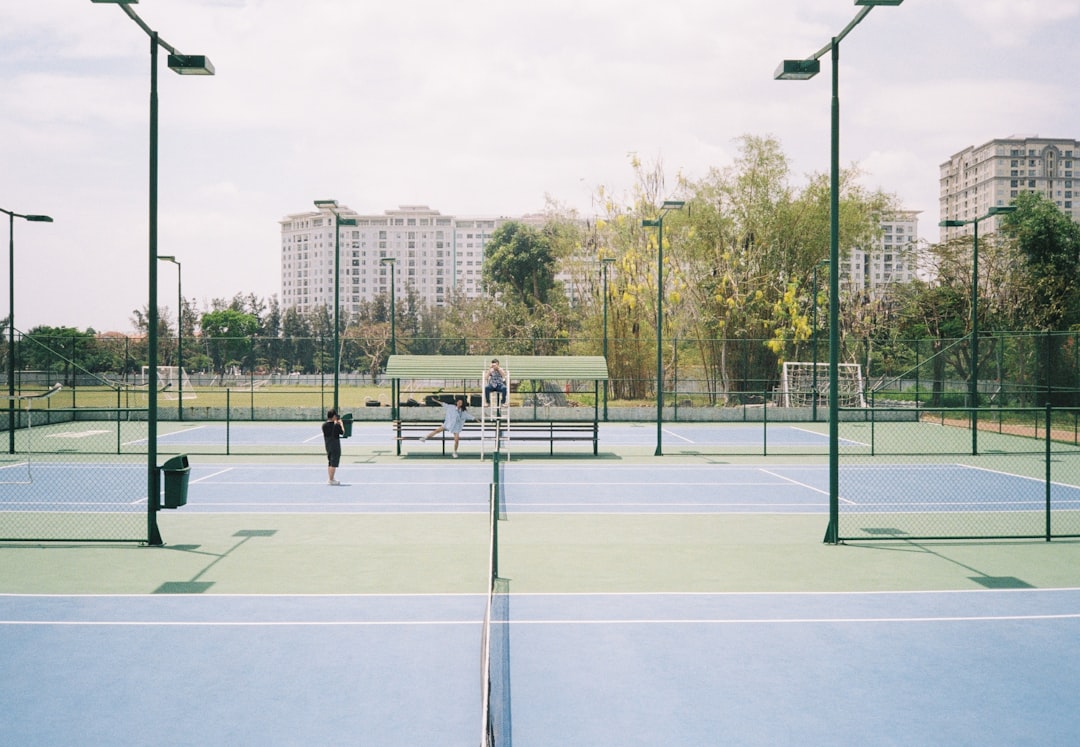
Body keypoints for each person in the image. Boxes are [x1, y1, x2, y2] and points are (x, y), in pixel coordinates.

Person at [322, 409, 344, 484]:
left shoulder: (324, 425)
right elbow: (342, 432)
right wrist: (340, 424)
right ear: (334, 416)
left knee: (330, 462)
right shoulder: (336, 425)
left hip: (328, 445)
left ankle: (330, 478)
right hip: (335, 445)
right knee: (333, 463)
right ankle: (331, 479)